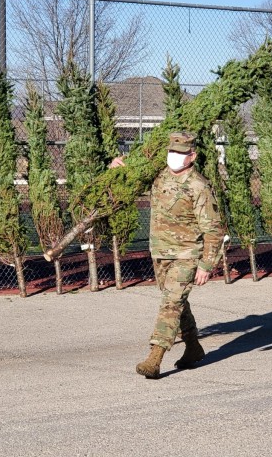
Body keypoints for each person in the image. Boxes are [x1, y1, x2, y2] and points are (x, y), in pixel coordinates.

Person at [111, 131, 223, 379]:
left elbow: (213, 229)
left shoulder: (199, 186)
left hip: (187, 254)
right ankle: (193, 347)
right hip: (160, 252)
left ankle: (155, 356)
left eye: (180, 154)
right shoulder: (160, 175)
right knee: (177, 303)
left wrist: (206, 264)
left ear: (192, 156)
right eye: (171, 152)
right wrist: (117, 168)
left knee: (170, 303)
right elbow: (129, 181)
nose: (174, 157)